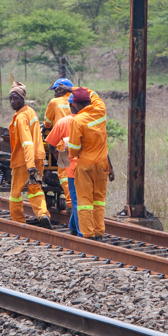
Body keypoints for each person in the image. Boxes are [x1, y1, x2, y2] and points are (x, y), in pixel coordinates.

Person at [7, 81, 52, 229]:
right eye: (11, 99)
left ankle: (18, 222)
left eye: (16, 98)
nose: (13, 102)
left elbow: (27, 143)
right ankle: (43, 214)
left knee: (15, 193)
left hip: (24, 161)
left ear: (22, 98)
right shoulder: (31, 111)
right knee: (35, 189)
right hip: (39, 157)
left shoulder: (20, 118)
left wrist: (30, 165)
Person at [68, 87, 110, 240]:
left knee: (85, 201)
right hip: (102, 164)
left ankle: (88, 234)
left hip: (85, 165)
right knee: (99, 199)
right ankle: (99, 232)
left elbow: (73, 148)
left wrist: (71, 153)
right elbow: (94, 93)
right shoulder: (100, 110)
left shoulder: (77, 120)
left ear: (77, 105)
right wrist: (72, 88)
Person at [45, 94, 80, 236]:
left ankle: (77, 229)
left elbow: (50, 143)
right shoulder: (90, 121)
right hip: (88, 167)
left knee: (77, 199)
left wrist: (56, 154)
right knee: (84, 200)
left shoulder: (63, 122)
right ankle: (76, 229)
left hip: (70, 165)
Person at [43, 78, 74, 209]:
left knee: (64, 174)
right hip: (79, 139)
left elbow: (47, 123)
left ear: (61, 89)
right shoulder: (75, 101)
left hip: (63, 142)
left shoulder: (54, 102)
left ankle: (71, 204)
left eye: (55, 90)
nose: (54, 93)